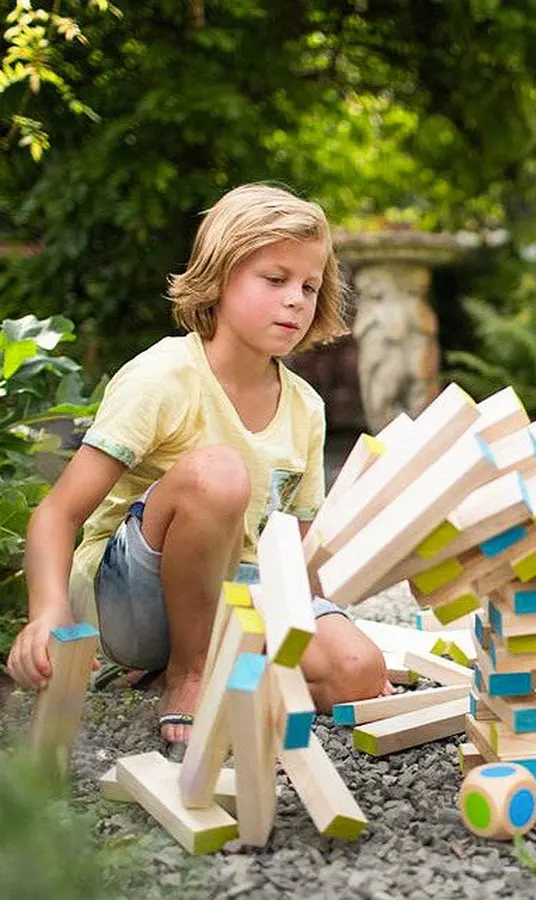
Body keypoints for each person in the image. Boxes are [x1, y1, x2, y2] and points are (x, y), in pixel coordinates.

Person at [8, 183, 389, 757]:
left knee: (360, 669)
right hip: (134, 599)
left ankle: (217, 677)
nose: (296, 300)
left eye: (310, 287)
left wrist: (333, 641)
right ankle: (190, 673)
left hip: (238, 588)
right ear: (220, 277)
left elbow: (295, 554)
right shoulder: (163, 376)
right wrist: (48, 615)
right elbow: (57, 514)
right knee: (219, 473)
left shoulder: (306, 407)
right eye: (275, 279)